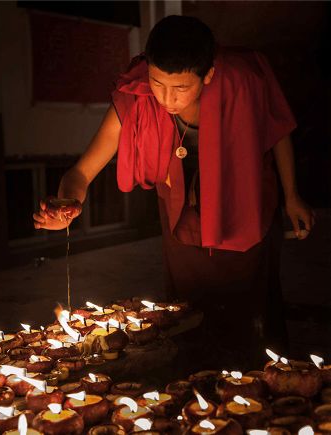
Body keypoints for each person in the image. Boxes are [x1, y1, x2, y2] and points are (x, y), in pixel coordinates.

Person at [33, 16, 314, 368]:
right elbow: (81, 172)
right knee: (187, 312)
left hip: (244, 205)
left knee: (251, 315)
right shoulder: (138, 96)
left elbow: (278, 132)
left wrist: (292, 195)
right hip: (182, 216)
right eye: (157, 82)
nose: (167, 98)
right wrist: (68, 205)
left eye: (180, 87)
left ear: (208, 74)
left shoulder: (243, 81)